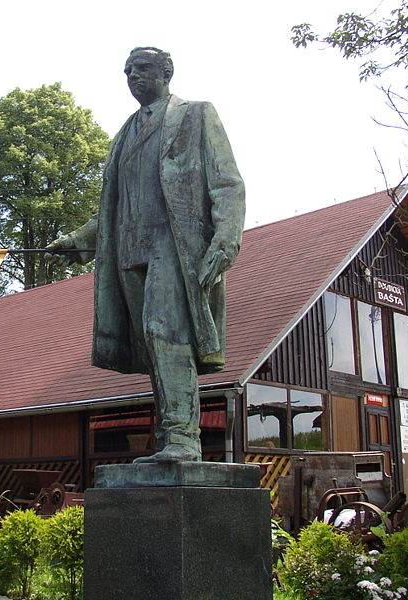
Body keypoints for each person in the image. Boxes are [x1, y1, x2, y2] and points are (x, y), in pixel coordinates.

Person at [46, 47, 245, 463]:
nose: (132, 76)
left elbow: (226, 182)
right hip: (129, 254)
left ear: (166, 72)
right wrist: (78, 240)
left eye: (141, 69)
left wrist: (225, 239)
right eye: (127, 71)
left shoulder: (195, 115)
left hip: (175, 246)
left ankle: (182, 439)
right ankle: (171, 436)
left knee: (165, 331)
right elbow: (113, 206)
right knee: (151, 345)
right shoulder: (125, 133)